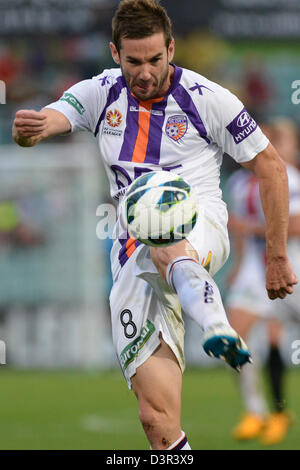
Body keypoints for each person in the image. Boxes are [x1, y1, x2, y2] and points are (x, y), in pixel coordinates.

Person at [12, 0, 297, 451]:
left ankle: (216, 325)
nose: (144, 72)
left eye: (154, 60)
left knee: (162, 230)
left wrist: (276, 255)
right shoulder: (100, 92)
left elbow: (272, 167)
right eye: (133, 61)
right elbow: (53, 116)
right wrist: (33, 129)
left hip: (199, 221)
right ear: (114, 53)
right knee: (156, 421)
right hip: (131, 254)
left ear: (171, 48)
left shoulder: (208, 99)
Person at [226, 117, 300, 445]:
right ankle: (256, 412)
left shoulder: (291, 178)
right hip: (255, 272)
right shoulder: (240, 185)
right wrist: (238, 263)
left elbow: (295, 227)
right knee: (231, 336)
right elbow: (239, 230)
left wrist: (250, 228)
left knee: (274, 342)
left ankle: (280, 412)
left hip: (291, 264)